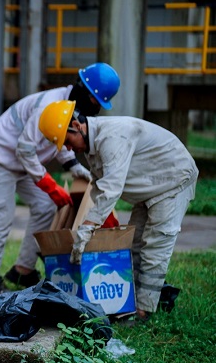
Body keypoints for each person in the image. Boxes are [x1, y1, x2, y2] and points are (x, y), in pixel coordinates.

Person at [38, 100, 198, 320]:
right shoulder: (92, 146)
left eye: (66, 141)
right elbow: (100, 187)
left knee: (155, 244)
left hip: (173, 179)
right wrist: (84, 226)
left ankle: (143, 311)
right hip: (150, 186)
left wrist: (87, 229)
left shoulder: (112, 137)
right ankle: (136, 301)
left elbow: (112, 187)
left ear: (77, 125)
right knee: (135, 244)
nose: (67, 148)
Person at [0, 63, 120, 295]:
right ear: (88, 95)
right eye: (96, 104)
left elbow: (57, 138)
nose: (96, 111)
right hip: (1, 158)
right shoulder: (50, 105)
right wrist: (49, 185)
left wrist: (74, 167)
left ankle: (22, 270)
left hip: (26, 163)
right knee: (1, 218)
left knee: (45, 205)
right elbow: (25, 149)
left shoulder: (71, 108)